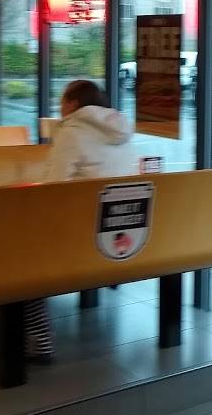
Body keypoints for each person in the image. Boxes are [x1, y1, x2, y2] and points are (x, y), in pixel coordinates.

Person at [26, 80, 136, 363]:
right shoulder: (121, 131)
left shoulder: (72, 133)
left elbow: (53, 188)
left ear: (73, 104)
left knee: (19, 254)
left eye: (62, 101)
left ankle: (40, 338)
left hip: (82, 239)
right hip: (124, 237)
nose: (60, 107)